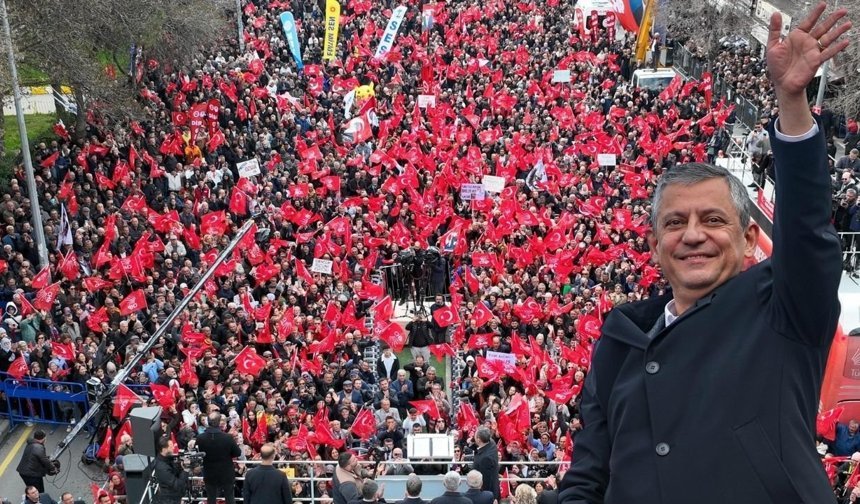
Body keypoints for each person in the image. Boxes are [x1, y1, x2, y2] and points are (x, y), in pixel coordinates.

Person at [559, 4, 850, 503]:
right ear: (654, 246)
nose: (693, 235)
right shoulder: (622, 335)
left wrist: (791, 102)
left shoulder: (785, 309)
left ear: (745, 240)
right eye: (675, 223)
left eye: (713, 220)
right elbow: (590, 471)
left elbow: (808, 231)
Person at [195, 412, 241, 504]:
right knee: (229, 497)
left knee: (211, 498)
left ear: (208, 421)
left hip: (209, 473)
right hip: (226, 473)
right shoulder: (227, 437)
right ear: (219, 422)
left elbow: (198, 454)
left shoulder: (200, 438)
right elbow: (237, 453)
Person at [152, 437, 188, 504]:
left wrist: (181, 466)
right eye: (171, 447)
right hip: (169, 500)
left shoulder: (167, 459)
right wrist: (185, 470)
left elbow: (174, 472)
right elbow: (177, 485)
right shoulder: (161, 468)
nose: (173, 448)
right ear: (164, 449)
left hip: (174, 497)